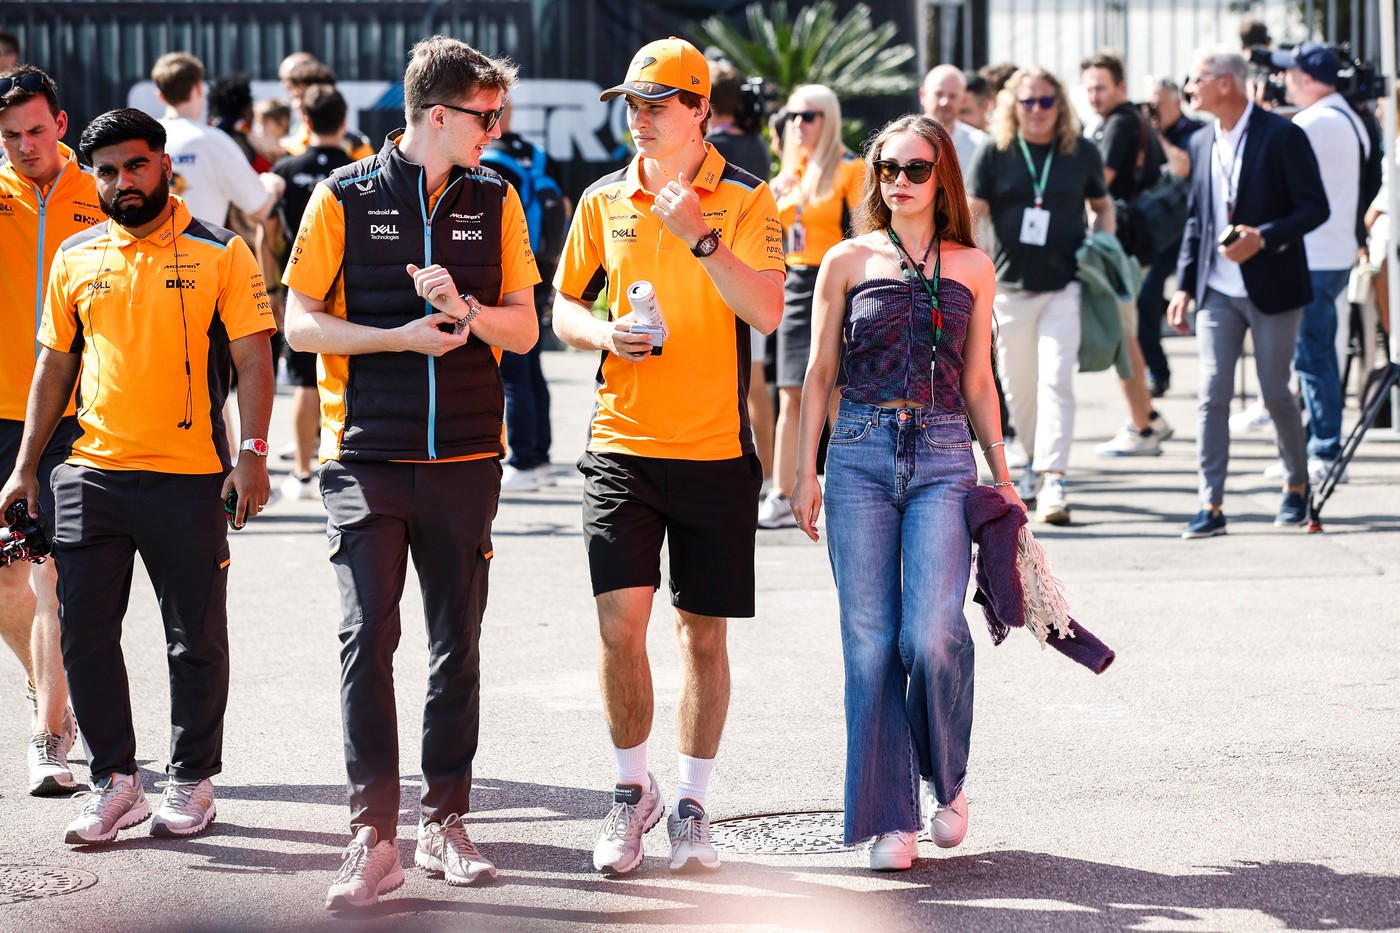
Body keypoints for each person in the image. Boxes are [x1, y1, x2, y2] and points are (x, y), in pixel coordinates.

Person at [282, 35, 539, 909]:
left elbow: (525, 330)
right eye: (484, 117)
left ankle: (446, 819)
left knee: (454, 644)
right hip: (365, 459)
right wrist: (397, 336)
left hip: (468, 456)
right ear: (438, 116)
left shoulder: (496, 198)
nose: (494, 130)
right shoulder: (343, 196)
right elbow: (299, 324)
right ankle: (373, 834)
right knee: (367, 638)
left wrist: (463, 307)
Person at [0, 106, 274, 844]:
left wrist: (251, 453)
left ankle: (191, 778)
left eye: (136, 165)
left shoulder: (221, 250)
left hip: (190, 477)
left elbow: (253, 356)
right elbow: (54, 364)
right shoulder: (78, 254)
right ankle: (116, 781)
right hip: (91, 472)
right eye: (109, 171)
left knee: (194, 637)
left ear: (164, 164)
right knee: (86, 632)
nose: (124, 181)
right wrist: (26, 466)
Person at [551, 36, 783, 876]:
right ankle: (628, 792)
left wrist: (700, 237)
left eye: (657, 104)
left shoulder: (748, 200)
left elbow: (766, 313)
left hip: (716, 452)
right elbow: (562, 305)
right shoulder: (603, 199)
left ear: (701, 112)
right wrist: (602, 331)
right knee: (621, 626)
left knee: (703, 639)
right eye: (632, 105)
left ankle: (691, 802)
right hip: (620, 443)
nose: (640, 119)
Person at [790, 113, 1018, 871]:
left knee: (930, 631)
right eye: (887, 168)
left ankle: (946, 782)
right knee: (869, 642)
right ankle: (892, 816)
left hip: (947, 452)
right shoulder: (846, 260)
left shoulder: (973, 266)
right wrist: (802, 468)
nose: (899, 182)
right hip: (856, 450)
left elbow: (981, 381)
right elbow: (818, 372)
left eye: (916, 169)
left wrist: (1005, 475)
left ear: (941, 176)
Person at [1167, 50, 1328, 538]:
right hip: (1217, 289)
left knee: (1276, 392)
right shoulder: (1199, 142)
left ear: (1226, 83)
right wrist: (1182, 285)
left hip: (1273, 284)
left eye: (1196, 79)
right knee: (1212, 393)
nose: (1188, 87)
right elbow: (1198, 220)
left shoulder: (1283, 135)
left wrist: (1266, 236)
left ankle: (1296, 486)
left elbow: (1315, 208)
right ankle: (1210, 503)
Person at [0, 65, 99, 796]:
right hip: (1, 415)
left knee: (55, 576)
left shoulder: (103, 193)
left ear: (61, 125)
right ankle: (55, 696)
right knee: (6, 584)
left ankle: (52, 730)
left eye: (36, 130)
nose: (25, 146)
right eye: (9, 136)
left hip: (78, 415)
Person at [967, 67, 1115, 524]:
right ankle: (1031, 463)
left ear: (1060, 105)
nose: (1036, 110)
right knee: (1019, 388)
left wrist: (1101, 247)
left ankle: (1054, 478)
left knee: (1056, 381)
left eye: (1046, 101)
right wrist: (971, 261)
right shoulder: (996, 151)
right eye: (1028, 101)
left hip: (1064, 287)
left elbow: (1102, 205)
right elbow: (974, 210)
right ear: (1013, 105)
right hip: (1009, 290)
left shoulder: (1079, 151)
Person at [759, 85, 863, 529]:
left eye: (809, 115)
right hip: (793, 280)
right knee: (789, 392)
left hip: (836, 279)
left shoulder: (849, 169)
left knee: (838, 392)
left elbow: (863, 234)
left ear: (830, 118)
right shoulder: (790, 171)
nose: (798, 123)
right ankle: (781, 492)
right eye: (793, 116)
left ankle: (852, 488)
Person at [1271, 43, 1370, 484]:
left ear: (1309, 79)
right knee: (1316, 354)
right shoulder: (1349, 118)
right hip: (1333, 252)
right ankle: (1320, 445)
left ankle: (1325, 450)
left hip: (1314, 255)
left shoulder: (1313, 122)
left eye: (1290, 73)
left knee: (1314, 357)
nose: (1284, 80)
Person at [1080, 51, 1176, 458]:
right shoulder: (1122, 121)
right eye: (1089, 88)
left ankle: (1144, 425)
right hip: (1131, 245)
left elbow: (1098, 184)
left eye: (1101, 87)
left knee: (1125, 335)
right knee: (1127, 333)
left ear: (1121, 87)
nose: (1094, 96)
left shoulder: (1120, 124)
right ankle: (1148, 417)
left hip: (1123, 247)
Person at [266, 84, 352, 502]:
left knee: (303, 379)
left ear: (306, 120)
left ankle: (302, 472)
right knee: (346, 369)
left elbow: (265, 227)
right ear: (344, 120)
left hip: (299, 285)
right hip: (348, 288)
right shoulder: (358, 168)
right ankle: (339, 457)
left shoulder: (285, 169)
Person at [479, 101, 566, 493]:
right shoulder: (537, 154)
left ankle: (524, 458)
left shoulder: (489, 160)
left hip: (509, 266)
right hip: (542, 264)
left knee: (512, 369)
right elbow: (561, 206)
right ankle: (541, 458)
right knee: (530, 364)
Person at [705, 59, 776, 487]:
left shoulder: (711, 148)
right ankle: (766, 477)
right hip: (757, 274)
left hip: (721, 277)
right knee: (758, 380)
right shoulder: (758, 145)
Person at [150, 52, 280, 228]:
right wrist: (273, 184)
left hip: (148, 253)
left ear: (160, 95)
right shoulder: (214, 141)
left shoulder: (144, 138)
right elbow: (260, 208)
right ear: (198, 89)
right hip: (202, 252)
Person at [1140, 77, 1206, 397]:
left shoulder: (1194, 131)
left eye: (1158, 104)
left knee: (1159, 294)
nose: (1151, 111)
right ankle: (1158, 372)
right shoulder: (1143, 135)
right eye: (1148, 104)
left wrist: (1155, 135)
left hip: (1188, 230)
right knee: (1145, 298)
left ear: (1176, 102)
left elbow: (1182, 167)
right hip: (1155, 232)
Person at [279, 58, 375, 161]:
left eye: (306, 97)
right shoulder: (287, 146)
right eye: (294, 97)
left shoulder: (357, 146)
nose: (298, 104)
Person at [920, 64, 988, 173]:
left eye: (952, 96)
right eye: (938, 94)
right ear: (923, 95)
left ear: (964, 100)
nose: (945, 102)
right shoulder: (902, 142)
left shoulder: (980, 145)